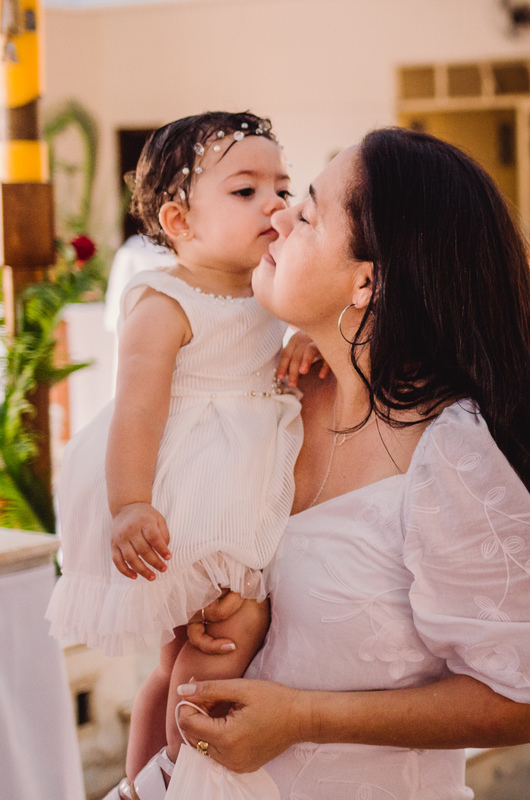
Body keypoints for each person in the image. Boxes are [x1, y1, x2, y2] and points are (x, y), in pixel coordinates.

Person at [168, 127, 530, 799]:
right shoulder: (273, 392)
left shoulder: (455, 455)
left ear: (367, 283)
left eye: (309, 212)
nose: (278, 215)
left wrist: (305, 717)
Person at [44, 111, 304, 799]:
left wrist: (304, 340)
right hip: (182, 491)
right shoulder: (164, 300)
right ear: (180, 221)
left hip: (245, 479)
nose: (274, 203)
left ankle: (151, 782)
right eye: (245, 191)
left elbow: (288, 345)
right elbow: (135, 408)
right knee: (190, 661)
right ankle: (159, 780)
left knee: (190, 654)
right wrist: (130, 504)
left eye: (282, 185)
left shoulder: (273, 284)